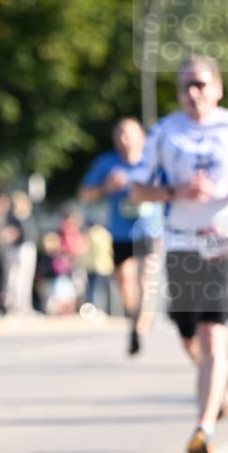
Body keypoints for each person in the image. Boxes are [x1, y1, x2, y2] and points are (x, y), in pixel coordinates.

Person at [129, 56, 228, 453]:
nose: (193, 93)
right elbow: (138, 191)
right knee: (189, 337)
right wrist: (175, 191)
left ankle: (203, 429)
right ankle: (220, 381)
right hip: (179, 244)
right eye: (185, 87)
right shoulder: (164, 132)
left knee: (213, 334)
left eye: (200, 84)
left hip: (224, 241)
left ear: (218, 88)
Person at [79, 118, 162, 354]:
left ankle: (139, 328)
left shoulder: (152, 162)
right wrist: (107, 187)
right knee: (125, 283)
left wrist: (148, 191)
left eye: (128, 133)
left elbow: (171, 189)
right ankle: (134, 320)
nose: (123, 139)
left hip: (149, 230)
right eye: (119, 134)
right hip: (120, 232)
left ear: (141, 138)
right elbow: (85, 194)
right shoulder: (107, 163)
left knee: (145, 280)